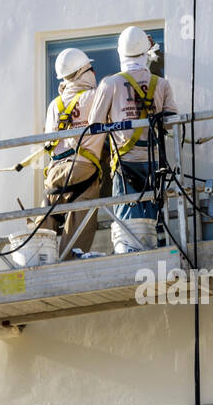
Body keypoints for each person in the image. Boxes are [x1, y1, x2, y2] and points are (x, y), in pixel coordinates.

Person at [87, 26, 176, 240]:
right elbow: (171, 121)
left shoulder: (110, 83)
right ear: (146, 53)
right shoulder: (161, 84)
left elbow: (93, 124)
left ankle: (133, 258)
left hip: (125, 163)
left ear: (120, 53)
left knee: (128, 224)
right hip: (154, 162)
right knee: (154, 221)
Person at [38, 47, 109, 258]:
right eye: (91, 69)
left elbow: (50, 140)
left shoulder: (54, 105)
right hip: (82, 170)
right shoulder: (95, 96)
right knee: (78, 232)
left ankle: (39, 261)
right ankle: (69, 265)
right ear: (83, 72)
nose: (94, 73)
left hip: (54, 173)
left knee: (44, 233)